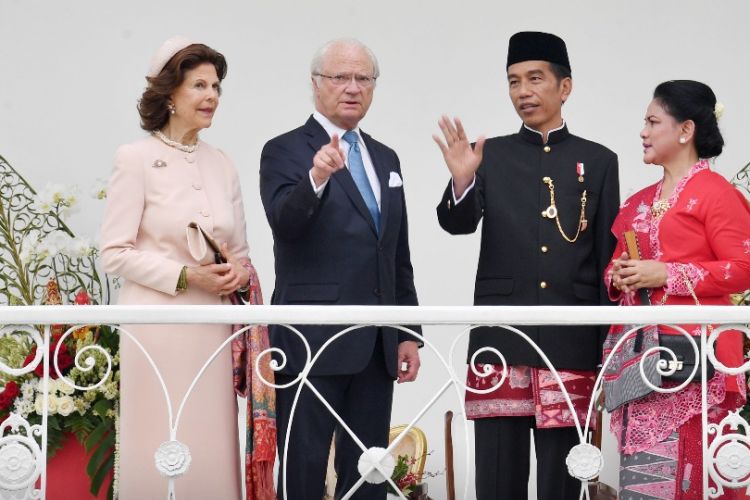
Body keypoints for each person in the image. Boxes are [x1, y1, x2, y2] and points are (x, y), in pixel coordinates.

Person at [434, 31, 620, 499]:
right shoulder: (488, 154)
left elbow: (604, 258)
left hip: (571, 343)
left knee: (565, 480)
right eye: (514, 81)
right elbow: (456, 224)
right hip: (501, 339)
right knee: (497, 480)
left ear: (565, 87)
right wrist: (461, 181)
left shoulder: (599, 161)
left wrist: (604, 354)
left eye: (536, 79)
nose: (523, 92)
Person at [100, 37, 273, 499]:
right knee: (157, 439)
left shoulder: (222, 163)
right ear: (169, 94)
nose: (212, 95)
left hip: (212, 330)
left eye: (216, 86)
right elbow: (114, 253)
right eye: (199, 85)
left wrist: (237, 272)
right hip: (157, 329)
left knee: (211, 439)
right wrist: (185, 276)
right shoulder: (134, 159)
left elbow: (240, 251)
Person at [259, 38, 421, 499]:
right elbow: (285, 225)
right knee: (304, 465)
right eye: (340, 77)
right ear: (316, 84)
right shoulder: (284, 150)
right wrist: (317, 178)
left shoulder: (385, 157)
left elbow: (395, 253)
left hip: (375, 343)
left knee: (370, 469)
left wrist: (406, 330)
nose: (352, 88)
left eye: (363, 79)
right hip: (312, 338)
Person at [605, 80, 750, 499]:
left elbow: (743, 268)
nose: (643, 132)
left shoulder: (716, 194)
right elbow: (616, 264)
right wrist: (620, 276)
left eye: (653, 122)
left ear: (685, 130)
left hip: (696, 361)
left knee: (694, 472)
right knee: (644, 477)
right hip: (641, 361)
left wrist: (664, 274)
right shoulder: (638, 202)